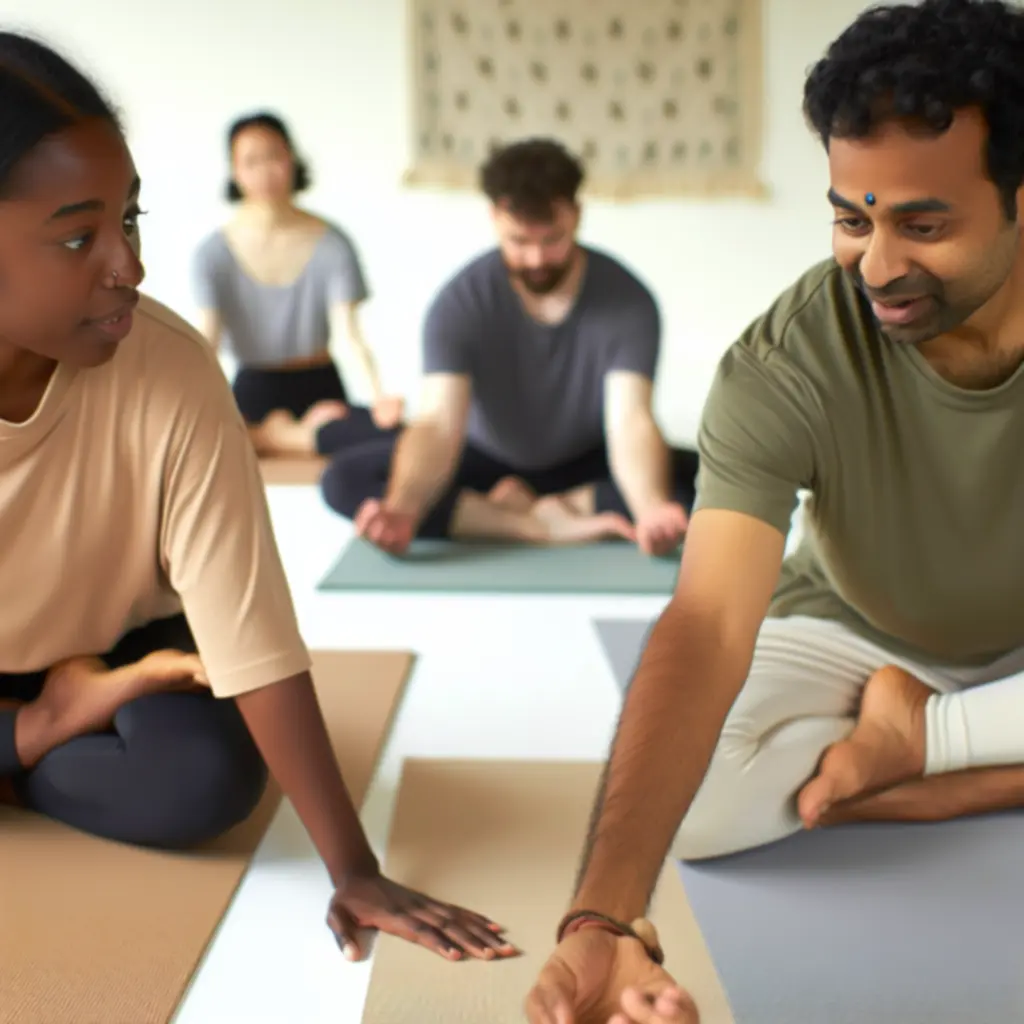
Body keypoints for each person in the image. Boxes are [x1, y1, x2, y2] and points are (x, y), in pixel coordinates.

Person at [525, 0, 1024, 1020]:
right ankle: (958, 740)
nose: (876, 266)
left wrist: (928, 747)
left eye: (923, 224)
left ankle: (926, 745)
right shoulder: (789, 357)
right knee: (696, 808)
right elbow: (710, 620)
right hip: (855, 625)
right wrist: (601, 920)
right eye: (852, 218)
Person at [0, 32, 515, 968]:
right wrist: (30, 727)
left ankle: (43, 736)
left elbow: (251, 635)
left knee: (204, 779)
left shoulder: (170, 369)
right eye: (78, 237)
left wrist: (355, 869)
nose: (129, 266)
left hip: (127, 647)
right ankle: (42, 731)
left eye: (130, 219)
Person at [312, 138, 698, 553]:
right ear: (495, 217)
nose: (536, 259)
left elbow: (630, 421)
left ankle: (552, 506)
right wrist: (403, 509)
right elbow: (439, 424)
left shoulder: (629, 300)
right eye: (519, 241)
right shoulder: (459, 302)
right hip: (485, 463)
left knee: (705, 480)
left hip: (586, 464)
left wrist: (650, 509)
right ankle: (534, 525)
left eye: (552, 240)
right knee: (345, 479)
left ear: (577, 214)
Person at [191, 111, 404, 457]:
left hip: (319, 388)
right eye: (251, 161)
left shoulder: (332, 244)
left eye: (274, 156)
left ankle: (269, 437)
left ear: (292, 159)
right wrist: (187, 399)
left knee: (395, 436)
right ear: (235, 171)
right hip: (253, 389)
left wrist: (379, 398)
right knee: (199, 438)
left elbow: (350, 336)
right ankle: (284, 435)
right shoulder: (212, 253)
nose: (265, 171)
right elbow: (207, 340)